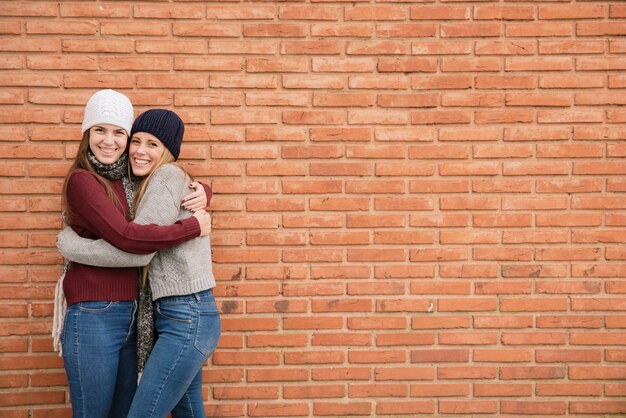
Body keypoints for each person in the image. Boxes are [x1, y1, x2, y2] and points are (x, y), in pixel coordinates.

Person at [55, 90, 213, 418]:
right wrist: (195, 217)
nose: (111, 142)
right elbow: (131, 238)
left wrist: (202, 192)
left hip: (154, 313)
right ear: (87, 133)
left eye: (119, 133)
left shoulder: (134, 180)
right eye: (100, 130)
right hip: (97, 312)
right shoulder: (87, 181)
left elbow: (142, 234)